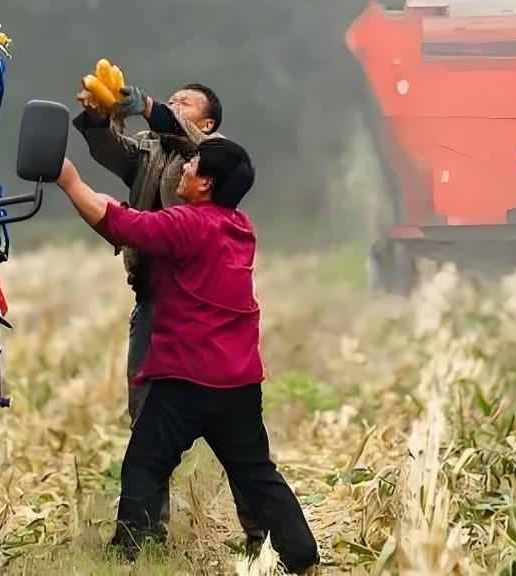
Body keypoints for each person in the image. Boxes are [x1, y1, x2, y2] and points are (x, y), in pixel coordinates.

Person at [54, 138, 320, 574]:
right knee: (255, 473)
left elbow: (118, 222)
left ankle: (129, 557)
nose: (184, 167)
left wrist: (68, 179)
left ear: (206, 183)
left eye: (193, 164)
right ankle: (300, 553)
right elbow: (131, 221)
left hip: (186, 380)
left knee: (144, 465)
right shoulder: (239, 228)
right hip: (237, 383)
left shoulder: (188, 225)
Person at [73, 80, 264, 548]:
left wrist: (147, 106)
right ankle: (146, 533)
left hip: (197, 302)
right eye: (171, 98)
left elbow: (177, 131)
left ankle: (260, 531)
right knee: (147, 423)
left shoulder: (213, 155)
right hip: (153, 300)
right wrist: (100, 118)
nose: (174, 106)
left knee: (237, 443)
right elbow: (112, 151)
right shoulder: (150, 152)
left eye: (185, 104)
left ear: (207, 123)